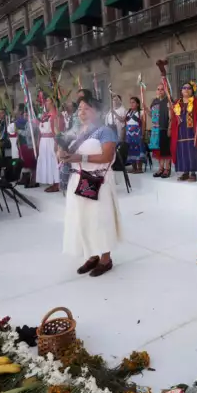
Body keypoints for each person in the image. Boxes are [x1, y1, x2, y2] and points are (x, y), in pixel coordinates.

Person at [60, 95, 122, 278]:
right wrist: (63, 153)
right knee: (84, 220)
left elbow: (107, 157)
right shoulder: (76, 132)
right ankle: (92, 254)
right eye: (79, 109)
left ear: (96, 111)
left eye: (86, 108)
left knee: (101, 220)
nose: (82, 112)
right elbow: (68, 152)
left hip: (98, 181)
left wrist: (81, 158)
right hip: (79, 180)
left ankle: (105, 258)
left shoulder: (105, 131)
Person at [171, 81, 197, 182]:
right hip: (180, 131)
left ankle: (193, 173)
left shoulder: (196, 102)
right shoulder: (176, 103)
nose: (186, 90)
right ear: (181, 90)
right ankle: (185, 172)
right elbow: (172, 117)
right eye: (184, 88)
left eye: (188, 88)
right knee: (182, 151)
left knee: (192, 151)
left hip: (191, 131)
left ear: (192, 91)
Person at [36, 98, 61, 192]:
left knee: (53, 161)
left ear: (53, 102)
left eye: (48, 101)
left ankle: (57, 183)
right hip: (43, 141)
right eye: (45, 101)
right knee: (46, 161)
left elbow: (58, 130)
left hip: (51, 141)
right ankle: (51, 181)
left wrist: (57, 142)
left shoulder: (55, 115)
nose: (46, 103)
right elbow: (40, 131)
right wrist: (39, 141)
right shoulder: (45, 115)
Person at [148, 84, 173, 178]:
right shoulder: (154, 102)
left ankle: (167, 169)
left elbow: (172, 116)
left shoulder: (169, 100)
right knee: (158, 149)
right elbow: (152, 115)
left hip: (165, 127)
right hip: (156, 129)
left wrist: (170, 128)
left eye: (162, 89)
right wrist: (147, 111)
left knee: (166, 150)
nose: (160, 91)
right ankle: (161, 168)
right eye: (158, 89)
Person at [124, 97, 145, 173]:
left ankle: (139, 168)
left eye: (133, 102)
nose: (131, 104)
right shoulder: (128, 112)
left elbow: (143, 124)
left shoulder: (141, 112)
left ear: (138, 104)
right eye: (131, 102)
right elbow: (125, 122)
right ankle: (134, 168)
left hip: (137, 133)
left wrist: (142, 134)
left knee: (138, 150)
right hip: (129, 134)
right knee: (131, 150)